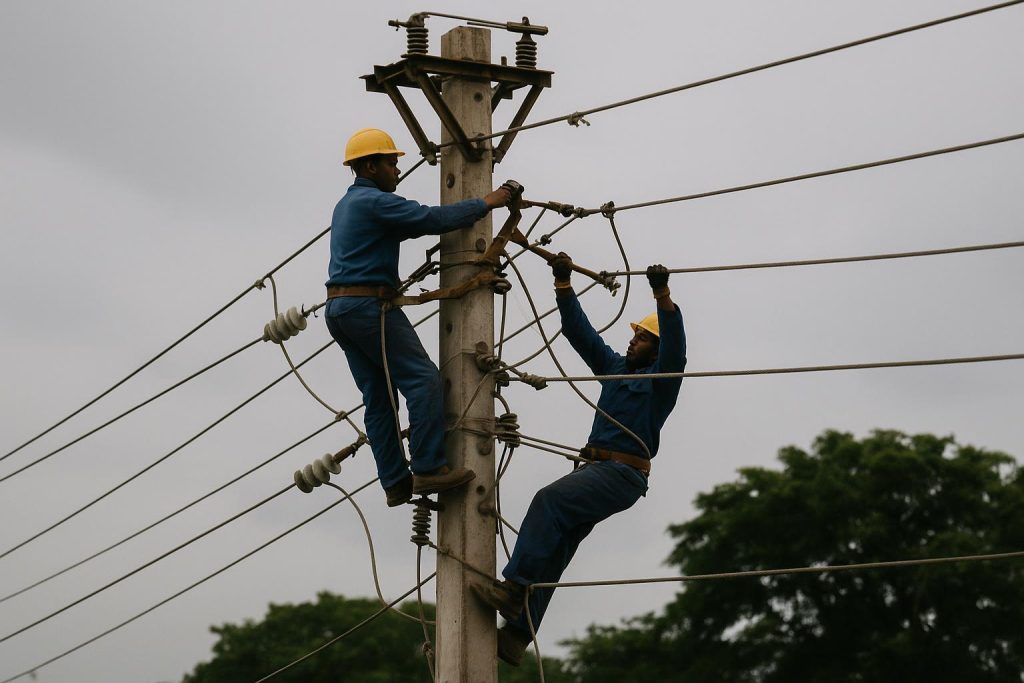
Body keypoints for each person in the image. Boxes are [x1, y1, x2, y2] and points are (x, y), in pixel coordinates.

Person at [471, 253, 686, 665]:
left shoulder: (661, 382)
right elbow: (580, 333)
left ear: (655, 350)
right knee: (557, 544)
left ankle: (512, 589)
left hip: (623, 473)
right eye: (635, 335)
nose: (632, 340)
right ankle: (517, 636)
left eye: (642, 337)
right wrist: (563, 285)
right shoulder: (614, 367)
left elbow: (676, 349)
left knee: (548, 501)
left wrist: (663, 296)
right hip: (599, 470)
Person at [324, 128, 512, 507]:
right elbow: (429, 219)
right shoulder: (373, 201)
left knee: (379, 400)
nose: (397, 169)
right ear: (370, 165)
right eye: (391, 162)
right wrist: (487, 202)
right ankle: (428, 467)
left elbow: (409, 226)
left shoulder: (348, 205)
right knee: (423, 379)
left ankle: (395, 481)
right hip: (367, 308)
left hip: (339, 310)